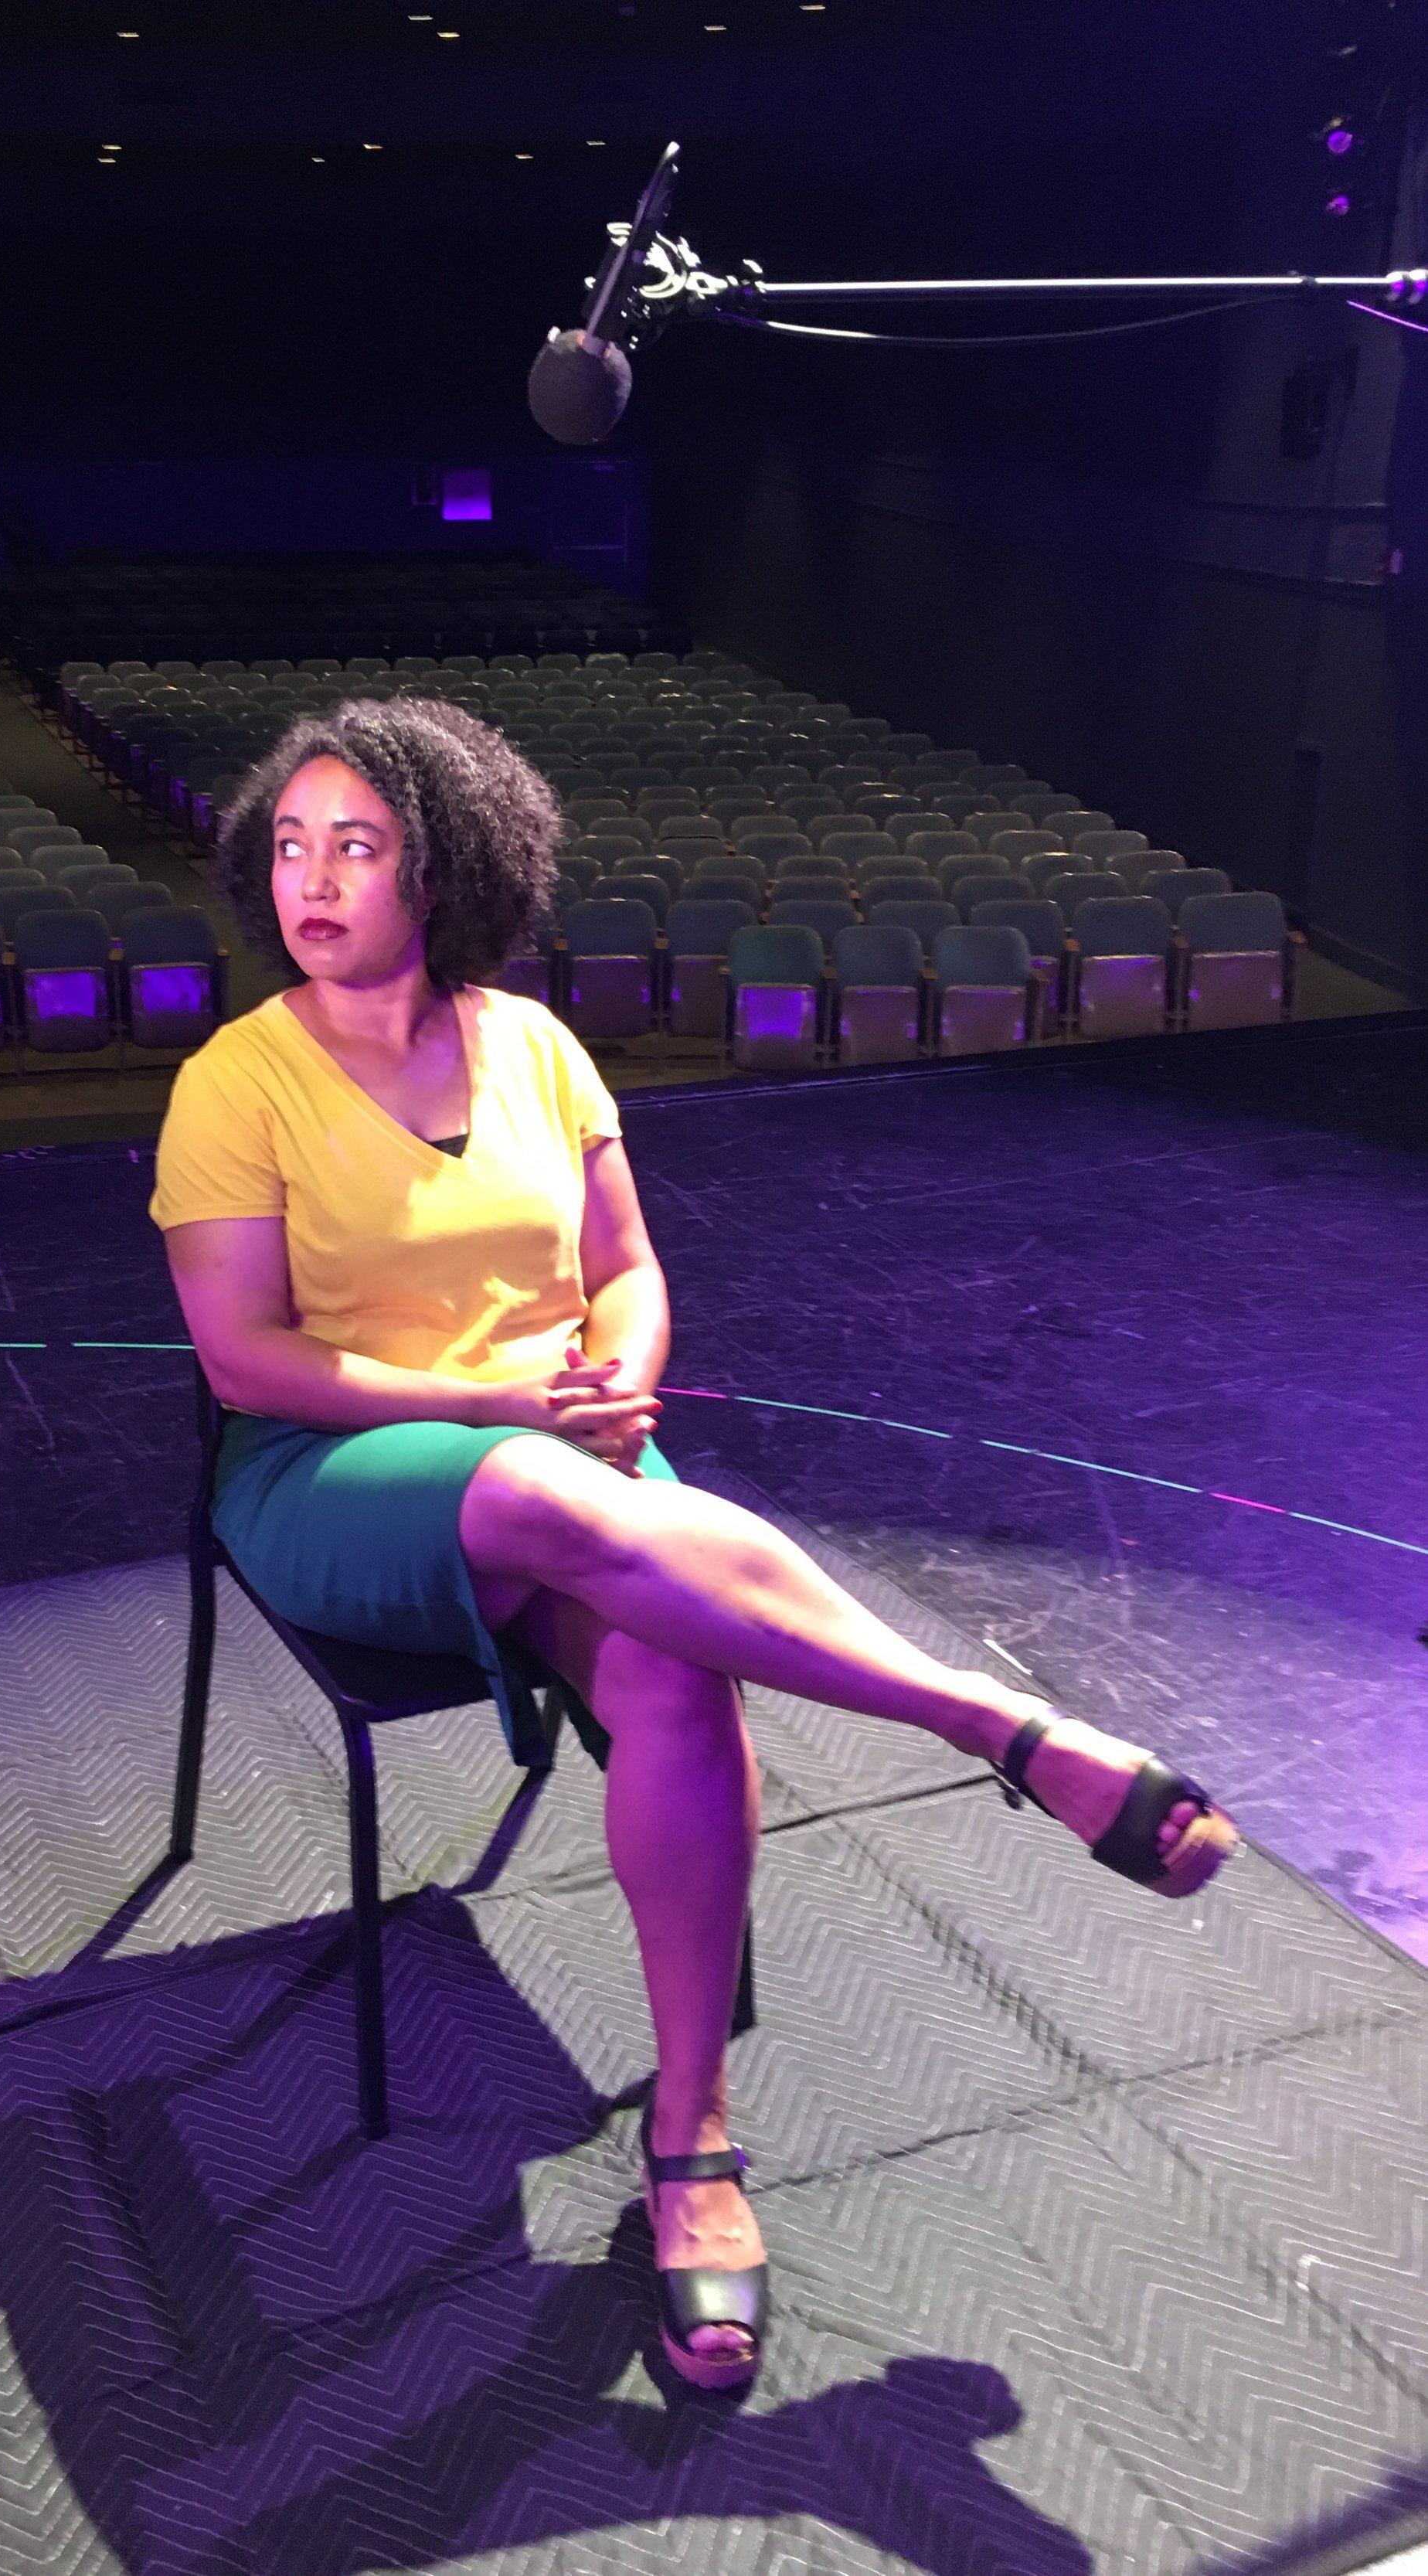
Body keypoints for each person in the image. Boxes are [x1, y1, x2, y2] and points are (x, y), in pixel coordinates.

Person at [150, 698, 1237, 2394]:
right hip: (335, 1469)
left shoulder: (536, 1046)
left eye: (357, 844)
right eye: (290, 845)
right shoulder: (234, 1080)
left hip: (567, 1449)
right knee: (546, 1499)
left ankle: (692, 2134)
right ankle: (1000, 1725)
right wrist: (508, 1397)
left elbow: (628, 1269)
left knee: (669, 1670)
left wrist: (621, 1375)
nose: (314, 878)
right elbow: (244, 1361)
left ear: (446, 864)